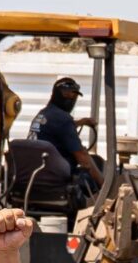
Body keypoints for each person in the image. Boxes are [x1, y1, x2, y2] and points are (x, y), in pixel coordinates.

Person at [30, 76, 102, 204]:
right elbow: (82, 157)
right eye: (66, 94)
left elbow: (56, 126)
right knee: (93, 166)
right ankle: (90, 211)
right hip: (55, 176)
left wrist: (81, 122)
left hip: (36, 172)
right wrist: (104, 184)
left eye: (74, 96)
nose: (71, 98)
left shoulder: (44, 113)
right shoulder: (63, 119)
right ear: (56, 94)